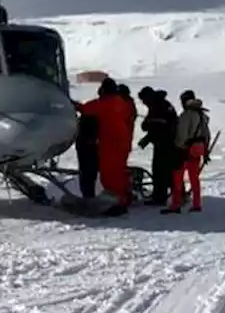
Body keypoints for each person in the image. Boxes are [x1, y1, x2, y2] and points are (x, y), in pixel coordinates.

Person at [74, 77, 134, 214]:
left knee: (109, 174)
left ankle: (116, 202)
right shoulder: (121, 102)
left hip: (111, 142)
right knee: (118, 171)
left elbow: (86, 108)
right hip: (122, 140)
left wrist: (74, 105)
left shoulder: (105, 103)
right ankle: (122, 199)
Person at [163, 90, 210, 214]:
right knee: (194, 178)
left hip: (185, 150)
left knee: (177, 177)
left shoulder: (186, 115)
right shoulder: (202, 115)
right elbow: (206, 135)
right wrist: (205, 151)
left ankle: (176, 204)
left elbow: (182, 134)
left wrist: (177, 147)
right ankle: (196, 204)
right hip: (198, 149)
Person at [137, 86, 179, 205]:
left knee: (163, 171)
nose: (144, 103)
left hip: (166, 143)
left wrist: (149, 135)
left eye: (144, 100)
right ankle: (162, 196)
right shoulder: (157, 105)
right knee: (161, 171)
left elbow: (159, 127)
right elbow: (148, 125)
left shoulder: (159, 106)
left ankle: (164, 197)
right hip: (162, 142)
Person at [73, 110, 100, 199]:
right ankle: (89, 196)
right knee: (88, 174)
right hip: (87, 148)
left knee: (88, 175)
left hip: (87, 149)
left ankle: (89, 196)